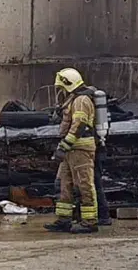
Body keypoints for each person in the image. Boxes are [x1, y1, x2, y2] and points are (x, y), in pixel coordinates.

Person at [43, 67, 102, 234]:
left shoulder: (82, 100)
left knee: (84, 185)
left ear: (68, 84)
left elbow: (79, 125)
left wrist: (65, 145)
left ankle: (90, 222)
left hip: (80, 148)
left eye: (62, 87)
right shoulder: (73, 99)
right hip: (71, 148)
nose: (60, 91)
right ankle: (64, 220)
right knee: (65, 184)